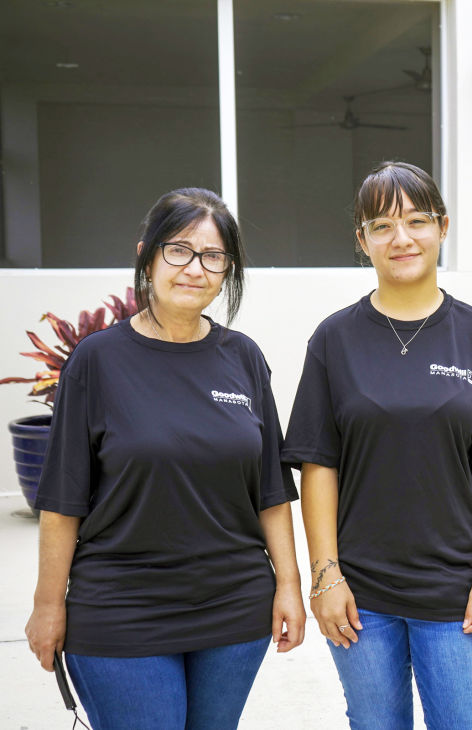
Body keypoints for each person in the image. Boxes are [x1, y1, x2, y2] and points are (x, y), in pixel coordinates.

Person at [24, 188, 305, 729]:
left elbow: (270, 489)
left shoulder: (243, 357)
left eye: (214, 255)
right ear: (146, 256)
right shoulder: (97, 360)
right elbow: (62, 498)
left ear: (228, 269)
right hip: (121, 608)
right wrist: (48, 604)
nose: (195, 267)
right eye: (178, 250)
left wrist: (288, 586)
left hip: (233, 607)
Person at [283, 161, 472, 730]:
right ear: (361, 240)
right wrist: (326, 575)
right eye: (381, 225)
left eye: (417, 220)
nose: (402, 238)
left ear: (443, 227)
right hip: (360, 595)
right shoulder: (334, 339)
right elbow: (318, 465)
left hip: (455, 591)